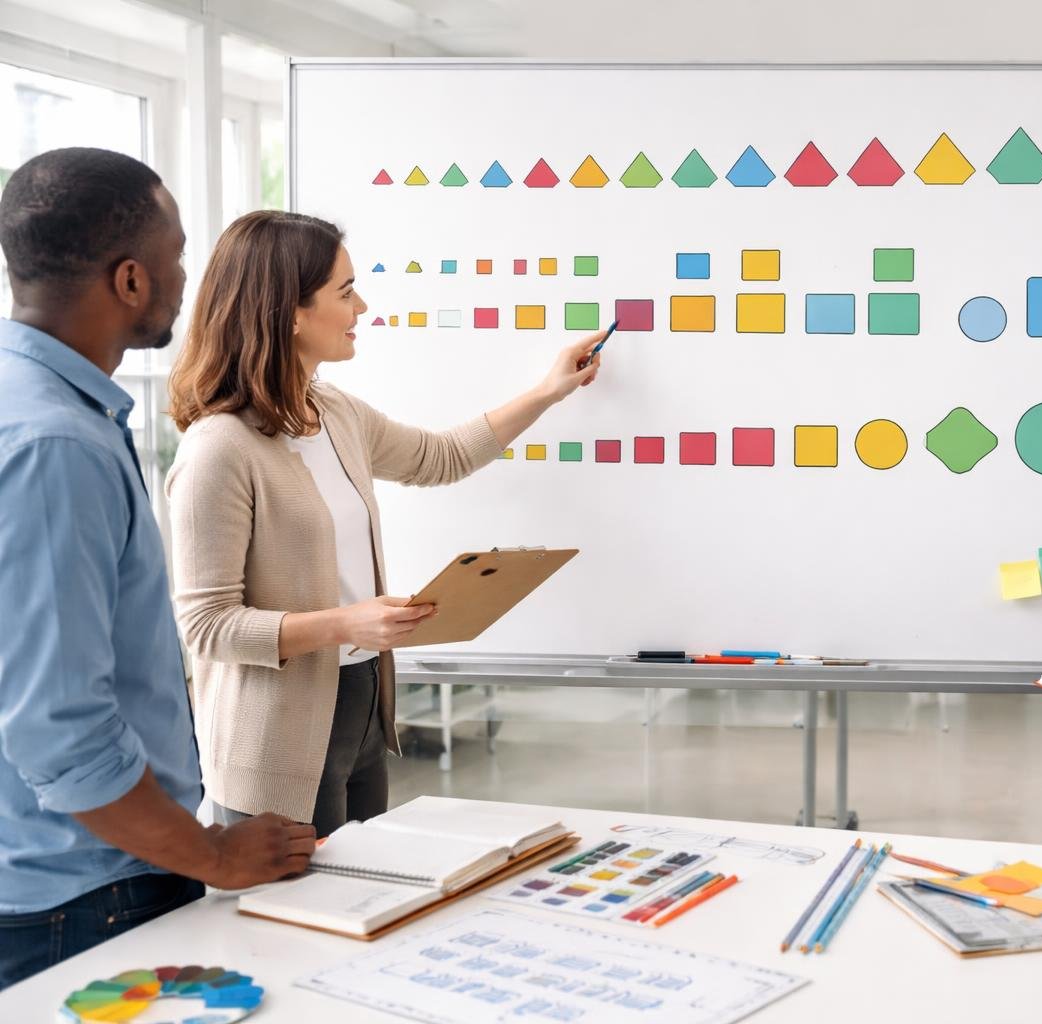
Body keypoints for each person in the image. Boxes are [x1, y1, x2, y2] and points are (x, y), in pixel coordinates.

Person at [165, 210, 603, 837]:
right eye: (345, 293)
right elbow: (208, 627)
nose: (361, 306)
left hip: (362, 701)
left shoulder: (332, 411)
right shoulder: (219, 449)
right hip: (277, 737)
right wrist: (347, 622)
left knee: (362, 904)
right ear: (288, 311)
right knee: (298, 925)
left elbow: (442, 457)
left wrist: (547, 392)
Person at [0, 149, 315, 988]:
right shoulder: (54, 446)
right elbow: (61, 734)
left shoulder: (41, 407)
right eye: (179, 253)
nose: (189, 275)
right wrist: (211, 851)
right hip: (84, 893)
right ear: (132, 280)